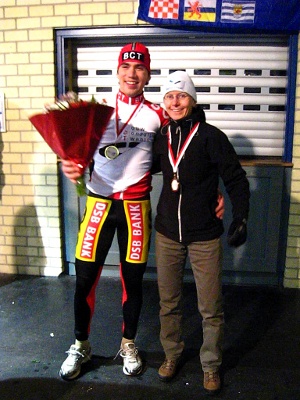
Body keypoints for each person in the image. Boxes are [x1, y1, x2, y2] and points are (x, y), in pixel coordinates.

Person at [59, 42, 169, 380]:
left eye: (139, 68)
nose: (132, 74)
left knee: (132, 282)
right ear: (118, 71)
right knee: (85, 279)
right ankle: (81, 344)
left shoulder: (159, 113)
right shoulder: (97, 109)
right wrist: (71, 164)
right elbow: (76, 152)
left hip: (136, 208)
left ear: (147, 74)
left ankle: (129, 343)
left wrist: (209, 191)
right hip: (99, 205)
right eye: (126, 67)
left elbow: (186, 148)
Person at [152, 71, 250, 395]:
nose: (175, 102)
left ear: (192, 101)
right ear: (163, 103)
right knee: (169, 302)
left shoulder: (210, 137)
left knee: (210, 307)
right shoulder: (161, 137)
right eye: (169, 97)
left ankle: (210, 365)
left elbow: (235, 178)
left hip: (204, 234)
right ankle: (171, 355)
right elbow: (136, 166)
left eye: (181, 96)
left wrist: (240, 217)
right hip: (167, 232)